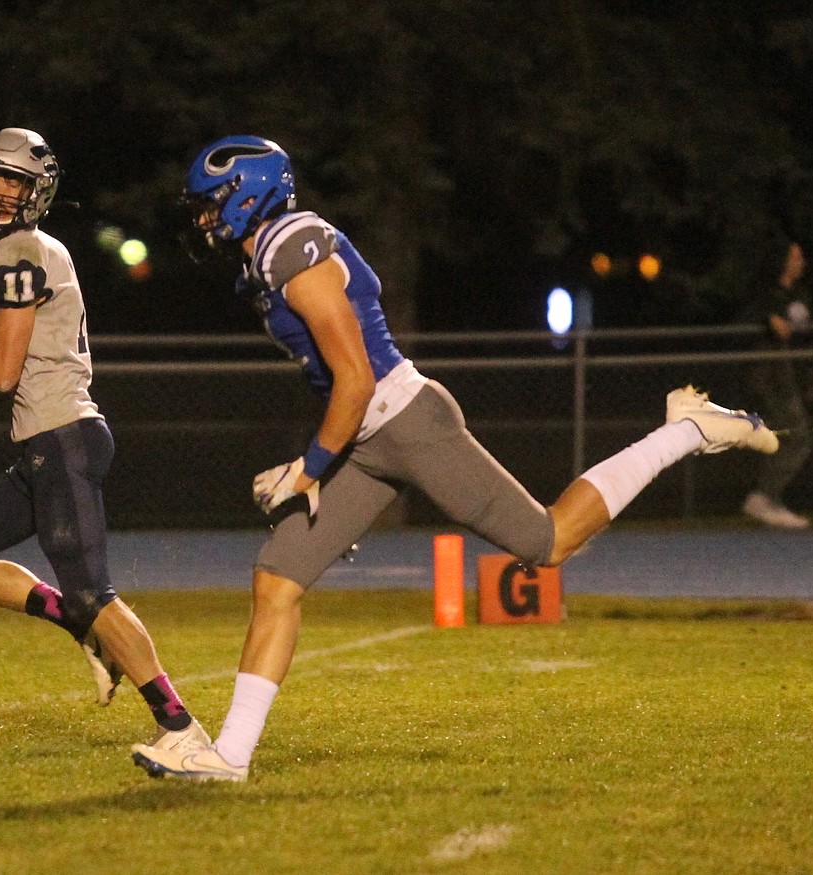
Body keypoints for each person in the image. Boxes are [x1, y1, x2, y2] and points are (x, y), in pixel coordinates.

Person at [130, 135, 780, 783]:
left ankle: (687, 430)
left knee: (549, 539)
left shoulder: (292, 246)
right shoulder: (265, 260)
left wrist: (308, 468)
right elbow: (340, 385)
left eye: (212, 204)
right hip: (363, 438)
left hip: (407, 423)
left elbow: (355, 378)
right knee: (277, 578)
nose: (205, 219)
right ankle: (231, 757)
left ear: (249, 195)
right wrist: (323, 467)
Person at [0, 127, 209, 755]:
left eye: (12, 181)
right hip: (46, 442)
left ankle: (180, 727)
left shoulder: (15, 254)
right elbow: (7, 353)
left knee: (92, 591)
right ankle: (84, 628)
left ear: (36, 191)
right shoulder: (31, 250)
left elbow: (1, 372)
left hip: (62, 437)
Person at [737, 239, 813, 529]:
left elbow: (799, 328)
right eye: (795, 256)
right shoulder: (767, 295)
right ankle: (764, 496)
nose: (801, 261)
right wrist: (772, 321)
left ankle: (767, 498)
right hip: (772, 377)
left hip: (793, 375)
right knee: (798, 436)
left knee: (790, 436)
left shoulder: (800, 294)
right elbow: (773, 328)